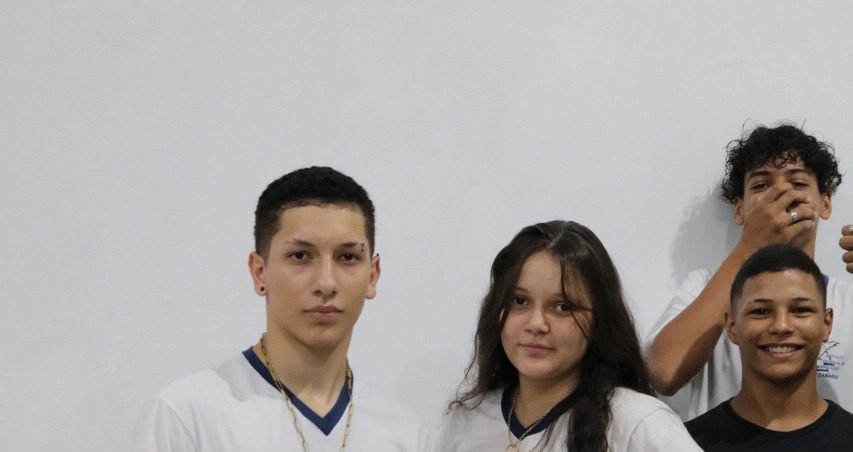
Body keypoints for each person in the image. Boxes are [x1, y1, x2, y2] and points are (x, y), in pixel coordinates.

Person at [132, 166, 426, 451]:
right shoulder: (186, 416)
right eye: (300, 256)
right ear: (260, 272)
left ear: (372, 275)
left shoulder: (405, 431)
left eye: (347, 257)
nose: (326, 283)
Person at [648, 123, 853, 420]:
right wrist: (753, 244)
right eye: (761, 186)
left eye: (797, 183)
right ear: (739, 210)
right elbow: (663, 374)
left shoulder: (847, 299)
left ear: (825, 203)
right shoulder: (703, 286)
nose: (781, 193)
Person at [438, 220, 701, 451]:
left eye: (563, 307)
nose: (536, 324)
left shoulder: (638, 423)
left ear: (599, 321)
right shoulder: (467, 419)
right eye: (519, 301)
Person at [686, 244, 853, 450]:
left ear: (826, 324)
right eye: (761, 311)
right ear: (732, 326)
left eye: (800, 310)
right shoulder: (686, 444)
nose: (781, 326)